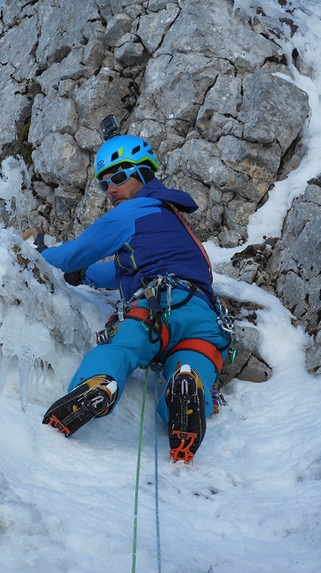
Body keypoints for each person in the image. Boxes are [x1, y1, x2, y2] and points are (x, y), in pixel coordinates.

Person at [37, 132, 231, 463]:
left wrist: (40, 253)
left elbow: (72, 255)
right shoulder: (172, 222)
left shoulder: (131, 212)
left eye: (118, 177)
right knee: (191, 371)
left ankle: (100, 384)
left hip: (158, 309)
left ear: (143, 173)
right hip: (204, 321)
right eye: (103, 184)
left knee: (121, 350)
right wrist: (84, 277)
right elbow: (125, 271)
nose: (110, 189)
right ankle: (187, 385)